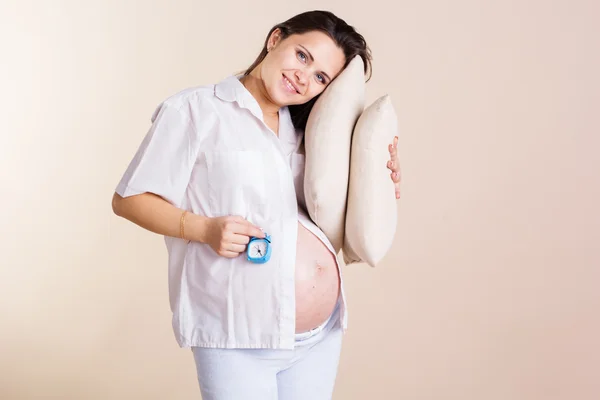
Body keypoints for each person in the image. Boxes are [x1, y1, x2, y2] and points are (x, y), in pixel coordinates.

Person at [111, 10, 401, 400]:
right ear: (275, 39)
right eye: (302, 56)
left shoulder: (309, 131)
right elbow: (128, 198)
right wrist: (203, 229)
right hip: (238, 333)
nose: (304, 77)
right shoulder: (195, 110)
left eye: (320, 77)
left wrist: (383, 172)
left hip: (320, 335)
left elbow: (332, 207)